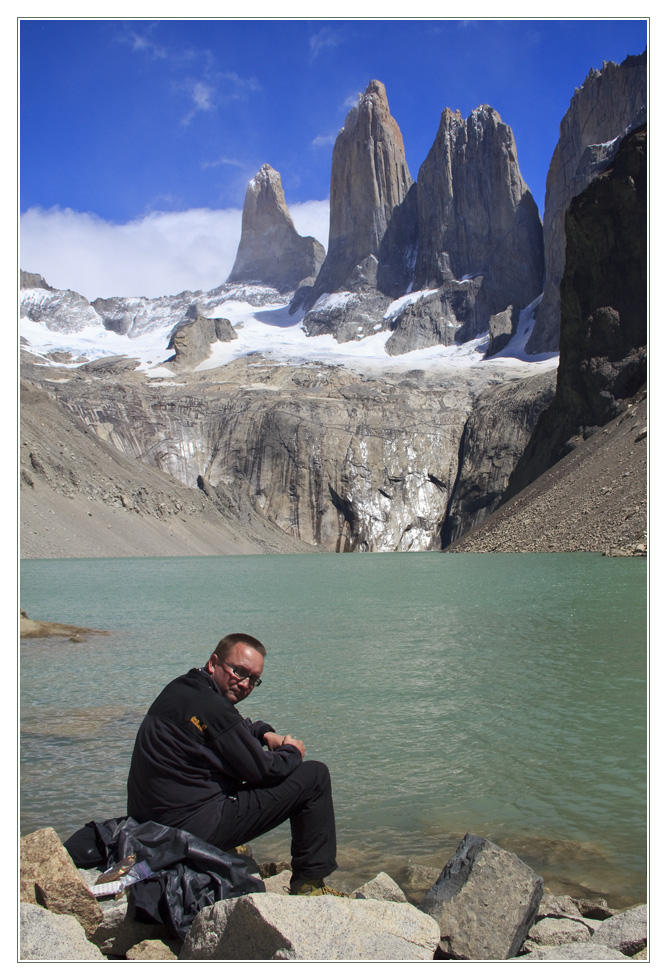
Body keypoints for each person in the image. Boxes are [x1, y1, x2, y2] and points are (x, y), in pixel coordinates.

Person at [126, 632, 342, 896]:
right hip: (188, 830)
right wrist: (292, 752)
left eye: (253, 679)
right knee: (314, 777)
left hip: (150, 824)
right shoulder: (212, 706)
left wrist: (263, 733)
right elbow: (264, 771)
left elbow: (230, 729)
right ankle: (309, 883)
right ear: (213, 662)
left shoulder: (184, 689)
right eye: (239, 671)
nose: (244, 684)